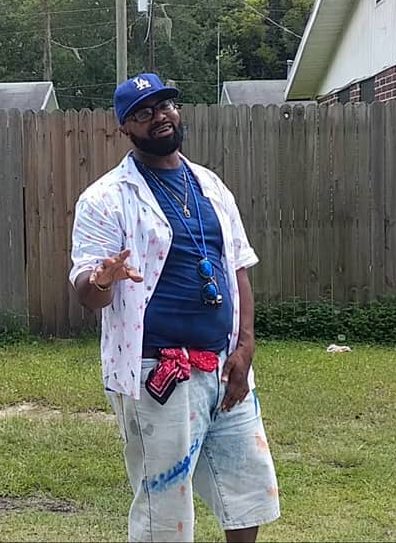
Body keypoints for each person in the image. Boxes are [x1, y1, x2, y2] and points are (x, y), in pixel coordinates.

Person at [68, 73, 280, 542]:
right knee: (164, 506)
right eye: (143, 113)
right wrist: (103, 279)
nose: (159, 117)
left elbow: (238, 267)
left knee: (246, 488)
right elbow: (86, 289)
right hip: (157, 373)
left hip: (224, 365)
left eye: (165, 106)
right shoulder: (105, 198)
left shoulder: (210, 185)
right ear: (125, 127)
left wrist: (245, 348)